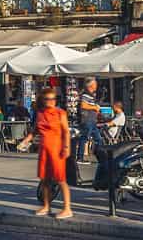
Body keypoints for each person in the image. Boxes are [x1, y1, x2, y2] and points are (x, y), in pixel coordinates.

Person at [34, 86, 72, 220]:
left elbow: (66, 131)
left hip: (57, 149)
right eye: (48, 99)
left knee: (61, 179)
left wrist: (66, 147)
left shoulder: (60, 113)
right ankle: (46, 206)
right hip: (44, 149)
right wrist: (27, 140)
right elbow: (36, 130)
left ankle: (67, 208)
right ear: (42, 100)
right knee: (44, 179)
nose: (51, 101)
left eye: (53, 99)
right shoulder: (40, 113)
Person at [75, 78, 104, 161]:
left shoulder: (91, 95)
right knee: (84, 138)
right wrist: (94, 107)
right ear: (91, 85)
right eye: (95, 84)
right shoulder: (86, 95)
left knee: (98, 139)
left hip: (92, 121)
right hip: (87, 120)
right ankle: (80, 158)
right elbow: (83, 105)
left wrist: (96, 111)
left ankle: (101, 156)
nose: (96, 86)